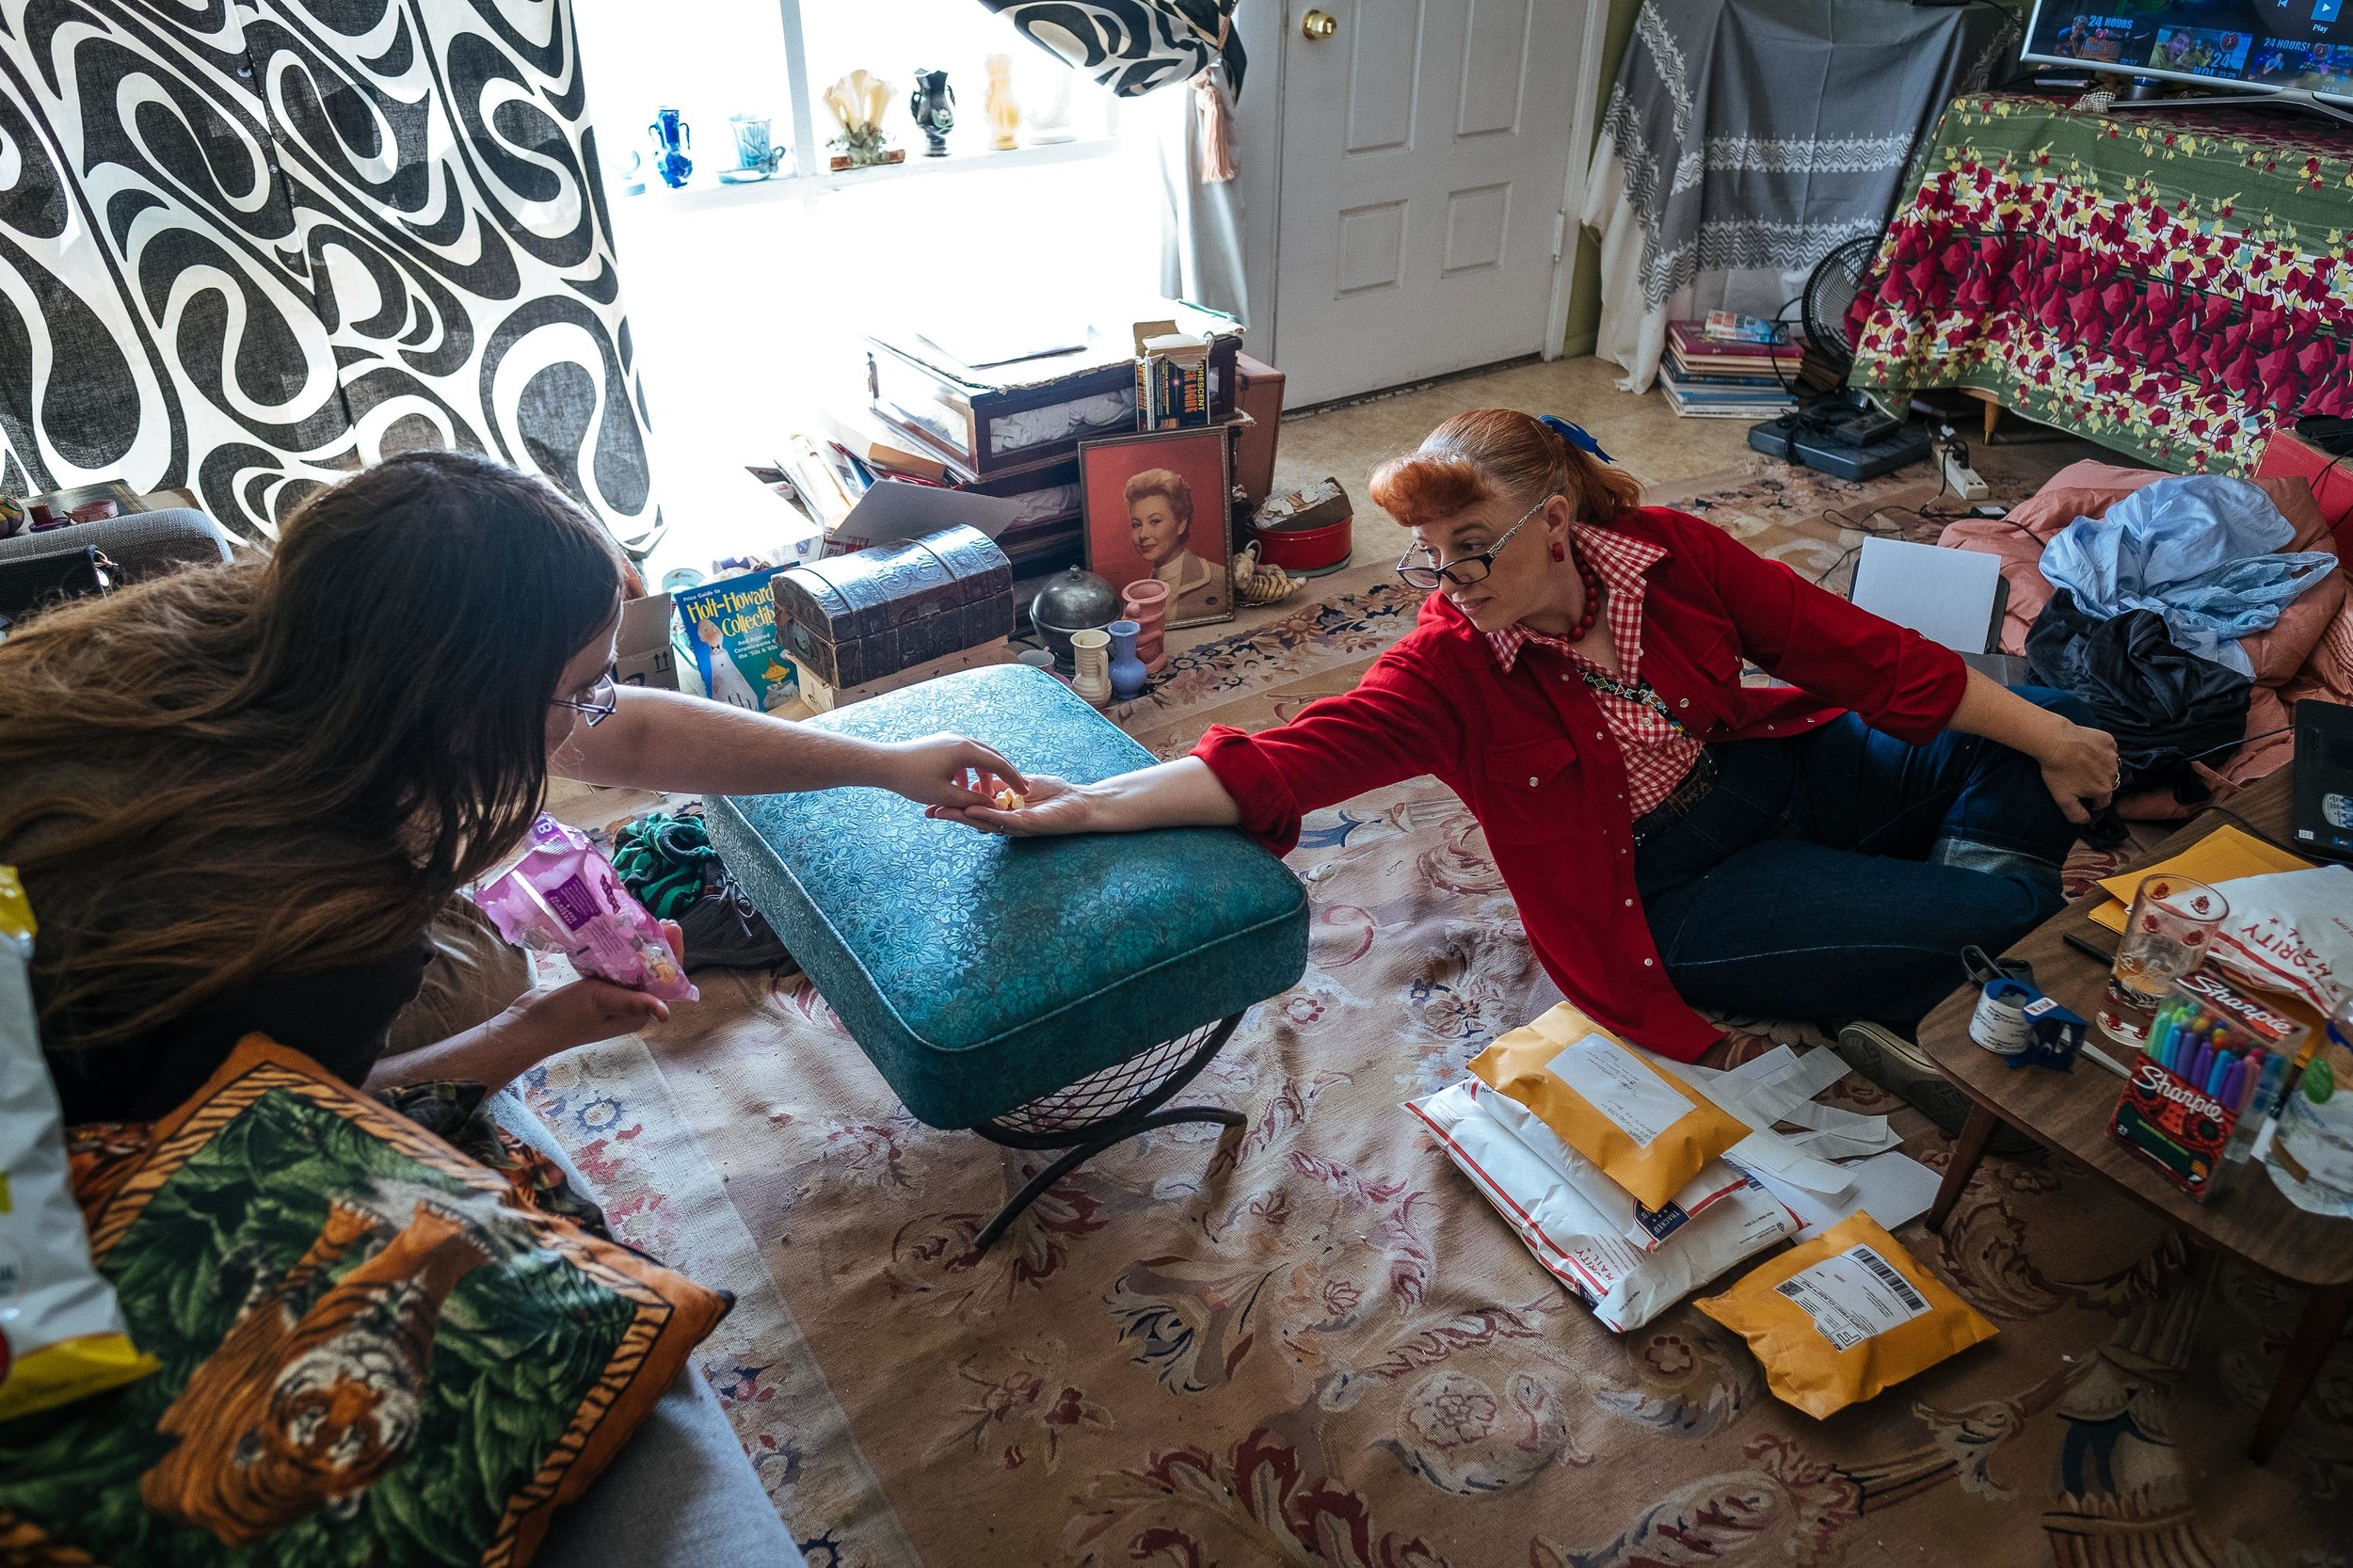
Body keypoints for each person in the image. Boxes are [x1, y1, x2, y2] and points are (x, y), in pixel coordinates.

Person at [934, 408, 2120, 1112]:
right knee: (2006, 909)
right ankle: (1953, 925)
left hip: (1778, 774)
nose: (1449, 579)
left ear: (1555, 521)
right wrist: (1076, 805)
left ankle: (1927, 937)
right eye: (1428, 556)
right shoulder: (1446, 670)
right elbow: (1282, 764)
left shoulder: (1670, 554)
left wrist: (2056, 738)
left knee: (2032, 717)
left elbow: (1859, 656)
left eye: (1470, 547)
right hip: (1678, 888)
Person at [4, 448, 1022, 1119]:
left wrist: (881, 764)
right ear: (458, 714)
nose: (595, 714)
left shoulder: (258, 621)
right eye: (575, 690)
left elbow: (620, 738)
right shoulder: (330, 925)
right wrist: (547, 1025)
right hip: (70, 1179)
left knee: (481, 950)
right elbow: (312, 1135)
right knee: (488, 972)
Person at [1125, 467, 1226, 623]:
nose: (1143, 535)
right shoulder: (1141, 593)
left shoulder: (1219, 579)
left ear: (1181, 523)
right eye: (1136, 524)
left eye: (1155, 521)